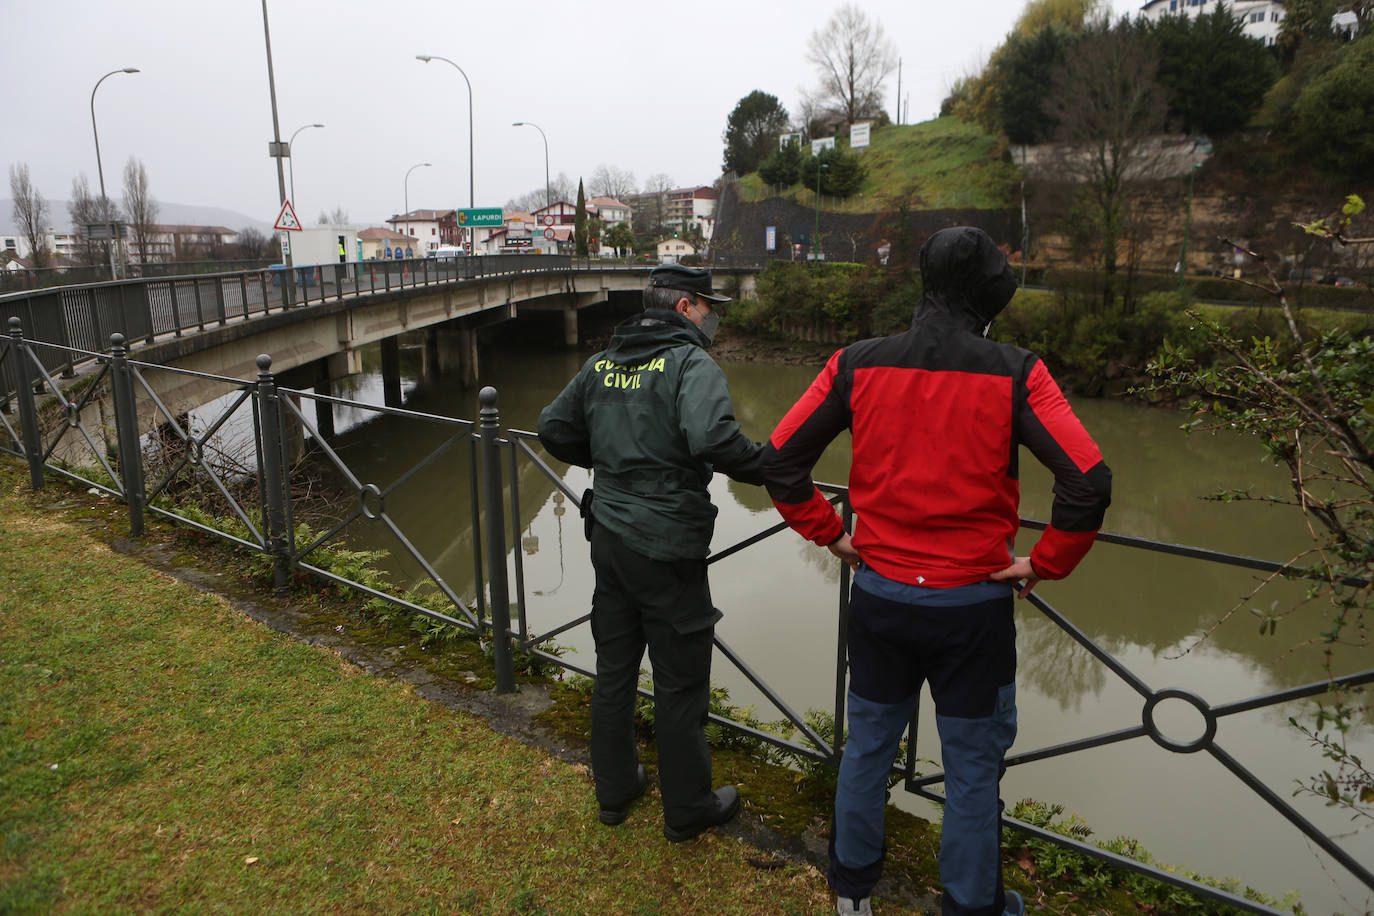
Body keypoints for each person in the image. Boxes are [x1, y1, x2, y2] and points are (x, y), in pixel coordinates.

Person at [761, 227, 1112, 916]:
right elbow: (1087, 482)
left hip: (883, 600)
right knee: (972, 770)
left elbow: (778, 460)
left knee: (866, 750)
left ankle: (852, 894)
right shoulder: (1018, 372)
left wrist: (831, 533)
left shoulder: (855, 363)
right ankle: (971, 904)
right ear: (989, 295)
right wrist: (1043, 564)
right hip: (972, 612)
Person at [538, 263, 765, 842]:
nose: (712, 316)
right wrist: (770, 465)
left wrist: (614, 462)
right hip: (667, 547)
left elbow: (553, 430)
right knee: (680, 681)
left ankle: (615, 791)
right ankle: (687, 806)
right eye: (707, 305)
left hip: (608, 538)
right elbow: (714, 440)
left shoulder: (602, 364)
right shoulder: (691, 364)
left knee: (614, 671)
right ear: (685, 307)